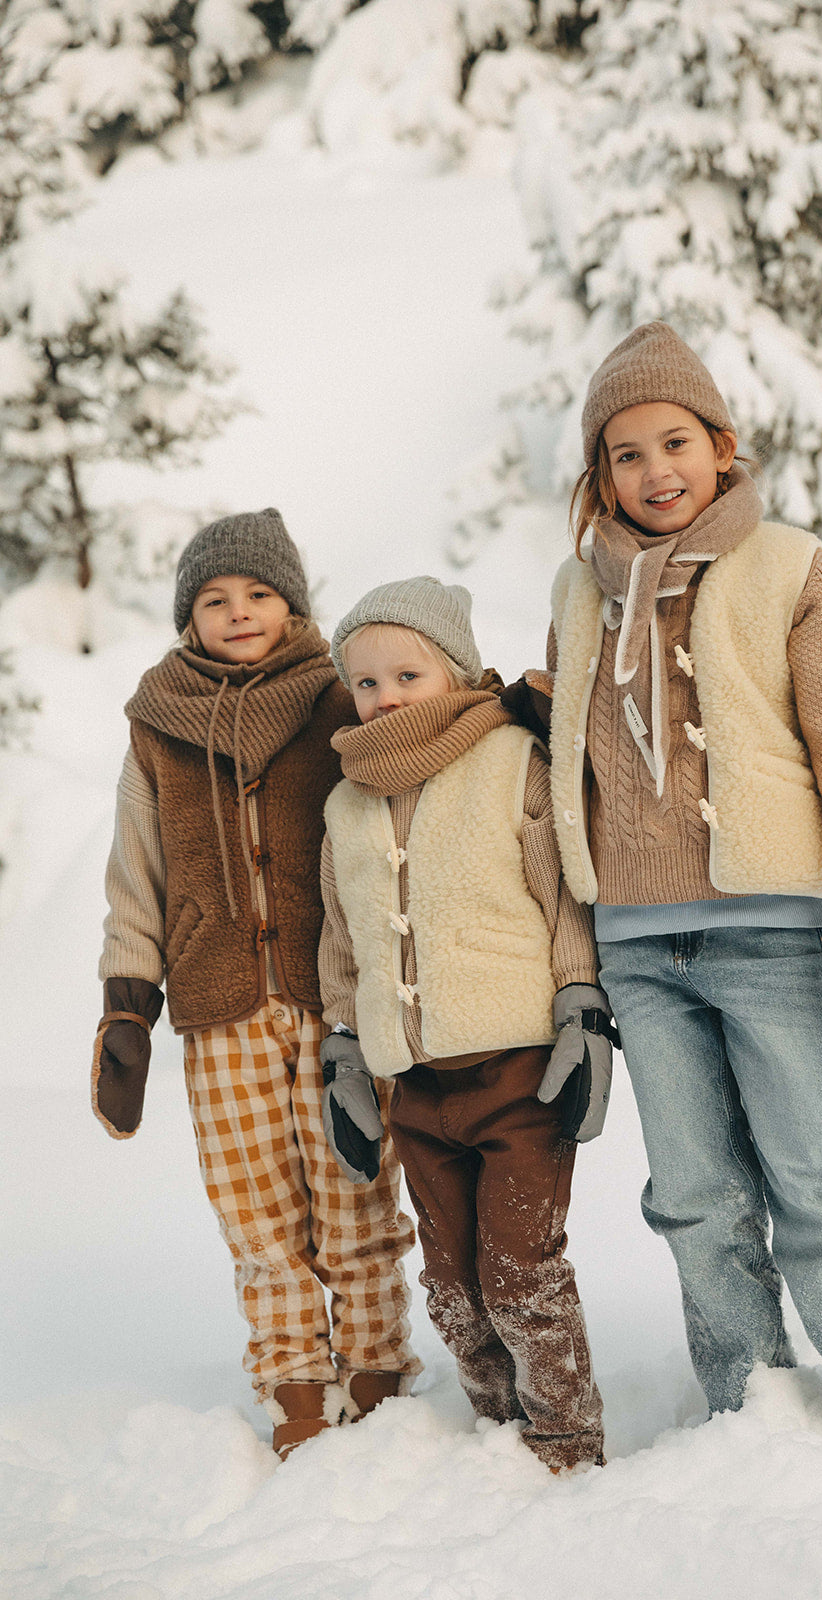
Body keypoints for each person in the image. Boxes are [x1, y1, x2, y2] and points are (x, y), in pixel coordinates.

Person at [541, 322, 822, 1457]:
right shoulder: (581, 593)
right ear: (597, 474)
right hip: (634, 949)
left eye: (674, 441)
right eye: (623, 453)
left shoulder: (793, 571)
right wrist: (575, 964)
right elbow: (560, 777)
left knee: (817, 1187)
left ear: (721, 446)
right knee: (695, 1199)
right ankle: (744, 1416)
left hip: (768, 937)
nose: (653, 470)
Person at [93, 508, 420, 1459]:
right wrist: (126, 1001)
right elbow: (136, 869)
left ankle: (374, 1360)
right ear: (186, 618)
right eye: (214, 600)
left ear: (292, 605)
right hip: (216, 1003)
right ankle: (292, 1376)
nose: (238, 612)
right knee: (256, 1211)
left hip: (337, 1000)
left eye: (259, 595)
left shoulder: (336, 698)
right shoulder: (157, 725)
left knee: (352, 1188)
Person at [318, 576, 607, 1472]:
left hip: (518, 1069)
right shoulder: (344, 803)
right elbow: (344, 938)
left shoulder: (511, 759)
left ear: (455, 671)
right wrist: (343, 1051)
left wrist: (580, 1005)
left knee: (521, 1270)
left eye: (408, 673)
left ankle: (564, 1439)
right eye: (365, 683)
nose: (385, 696)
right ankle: (496, 1431)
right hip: (414, 1085)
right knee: (450, 1283)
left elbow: (562, 897)